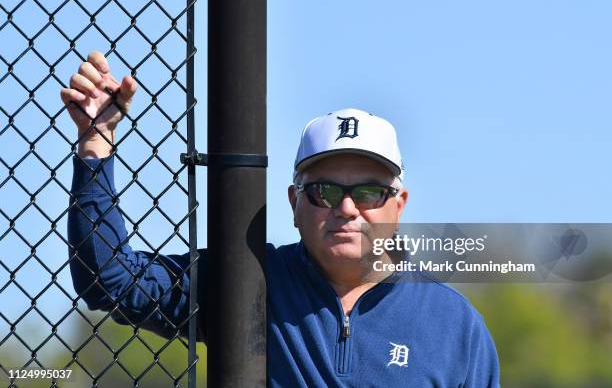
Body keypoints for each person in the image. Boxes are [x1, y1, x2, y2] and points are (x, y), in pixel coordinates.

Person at [63, 51, 500, 387]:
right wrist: (95, 145)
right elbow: (112, 280)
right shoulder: (250, 281)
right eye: (323, 191)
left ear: (399, 205)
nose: (347, 208)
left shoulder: (454, 325)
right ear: (294, 203)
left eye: (369, 192)